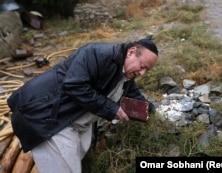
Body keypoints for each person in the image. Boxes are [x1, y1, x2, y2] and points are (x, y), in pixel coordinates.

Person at [7, 37, 158, 173]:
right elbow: (75, 85)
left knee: (72, 162)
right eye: (142, 66)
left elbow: (131, 92)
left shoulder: (125, 71)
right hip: (45, 116)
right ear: (131, 52)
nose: (143, 73)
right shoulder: (96, 54)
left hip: (70, 118)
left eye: (147, 70)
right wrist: (112, 109)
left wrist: (152, 110)